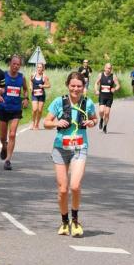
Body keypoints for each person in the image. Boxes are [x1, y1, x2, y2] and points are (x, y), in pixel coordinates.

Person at [44, 72, 98, 237]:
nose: (76, 89)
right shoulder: (58, 102)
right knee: (62, 189)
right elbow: (46, 123)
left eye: (79, 86)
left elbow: (95, 119)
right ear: (68, 85)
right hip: (60, 148)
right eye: (73, 85)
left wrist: (91, 122)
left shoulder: (87, 103)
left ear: (84, 87)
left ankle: (75, 221)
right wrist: (55, 123)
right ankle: (64, 221)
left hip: (79, 148)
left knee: (74, 186)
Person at [0, 55, 29, 170]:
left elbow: (25, 90)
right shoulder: (3, 76)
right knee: (2, 137)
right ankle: (4, 146)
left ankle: (8, 160)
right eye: (14, 64)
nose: (16, 66)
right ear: (10, 64)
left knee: (12, 134)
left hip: (16, 109)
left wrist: (26, 99)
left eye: (18, 65)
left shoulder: (22, 77)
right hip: (3, 108)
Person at [94, 63, 120, 134]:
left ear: (111, 69)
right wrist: (96, 90)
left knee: (107, 113)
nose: (108, 70)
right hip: (102, 95)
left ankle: (105, 126)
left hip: (109, 97)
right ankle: (101, 119)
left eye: (110, 68)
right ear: (104, 68)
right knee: (101, 111)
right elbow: (96, 83)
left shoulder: (113, 76)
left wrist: (115, 89)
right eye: (107, 68)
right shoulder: (100, 75)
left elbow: (118, 85)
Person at [29, 63, 51, 130]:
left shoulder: (44, 76)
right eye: (38, 67)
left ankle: (37, 124)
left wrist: (43, 86)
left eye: (40, 67)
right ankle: (33, 122)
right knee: (35, 109)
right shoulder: (33, 75)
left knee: (40, 110)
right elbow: (30, 81)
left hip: (41, 95)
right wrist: (31, 87)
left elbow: (49, 85)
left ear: (43, 68)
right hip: (34, 94)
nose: (39, 68)